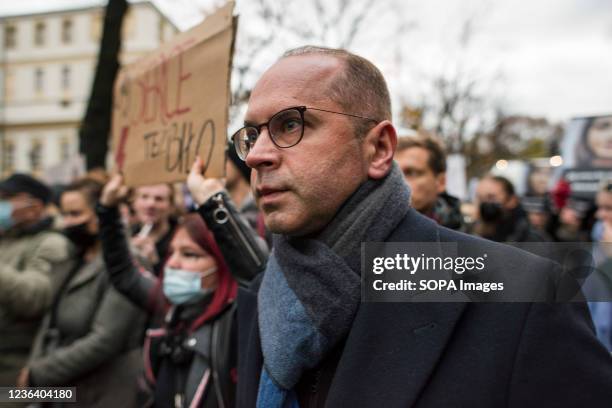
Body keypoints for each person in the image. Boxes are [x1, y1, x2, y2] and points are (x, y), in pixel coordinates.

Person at [187, 45, 612, 407]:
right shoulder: (263, 294)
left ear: (378, 148)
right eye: (251, 135)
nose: (258, 155)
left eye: (291, 124)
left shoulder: (523, 294)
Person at [96, 173, 262, 408]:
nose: (172, 263)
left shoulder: (238, 322)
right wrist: (107, 208)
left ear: (222, 265)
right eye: (172, 252)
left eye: (189, 254)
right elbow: (124, 272)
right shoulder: (171, 309)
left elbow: (257, 271)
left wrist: (214, 202)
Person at [18, 178, 144, 407]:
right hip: (61, 390)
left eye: (76, 214)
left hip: (101, 392)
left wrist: (40, 374)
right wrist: (33, 379)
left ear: (101, 213)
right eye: (65, 214)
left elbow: (105, 340)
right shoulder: (73, 258)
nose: (68, 223)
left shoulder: (127, 264)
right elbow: (50, 324)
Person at [0, 174, 72, 387]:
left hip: (20, 367)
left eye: (7, 198)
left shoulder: (53, 242)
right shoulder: (8, 238)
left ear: (36, 206)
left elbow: (36, 297)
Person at [394, 133, 464, 230]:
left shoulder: (467, 241)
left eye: (411, 173)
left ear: (441, 182)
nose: (396, 181)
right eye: (393, 173)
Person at [473, 175, 549, 242]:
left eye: (491, 197)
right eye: (480, 198)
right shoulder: (472, 234)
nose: (484, 203)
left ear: (511, 200)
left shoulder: (531, 239)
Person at [131, 184, 178, 275]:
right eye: (144, 197)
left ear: (171, 206)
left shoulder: (181, 239)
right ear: (133, 203)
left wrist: (155, 263)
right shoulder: (125, 235)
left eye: (159, 199)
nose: (151, 204)